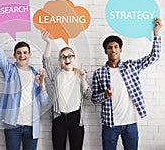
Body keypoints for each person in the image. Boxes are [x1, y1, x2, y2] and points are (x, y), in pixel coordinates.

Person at [91, 18, 162, 150]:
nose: (113, 50)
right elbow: (94, 99)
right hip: (110, 124)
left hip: (130, 123)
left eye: (116, 47)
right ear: (105, 51)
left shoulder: (131, 67)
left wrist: (156, 34)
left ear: (121, 49)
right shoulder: (99, 73)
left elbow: (154, 56)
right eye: (110, 48)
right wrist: (105, 95)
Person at [0, 16, 49, 150]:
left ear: (30, 54)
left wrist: (42, 86)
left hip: (31, 126)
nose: (22, 55)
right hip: (12, 125)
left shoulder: (37, 75)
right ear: (15, 55)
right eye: (19, 53)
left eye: (25, 53)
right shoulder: (9, 71)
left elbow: (44, 102)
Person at [41, 31, 90, 150]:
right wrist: (48, 43)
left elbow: (87, 95)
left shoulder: (81, 73)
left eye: (70, 56)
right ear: (60, 60)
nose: (67, 59)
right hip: (59, 117)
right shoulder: (56, 74)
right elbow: (46, 61)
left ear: (74, 58)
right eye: (63, 57)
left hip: (76, 118)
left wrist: (83, 79)